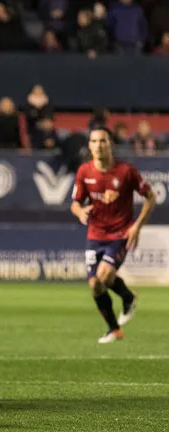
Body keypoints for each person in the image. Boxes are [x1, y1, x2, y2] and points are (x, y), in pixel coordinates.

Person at [71, 127, 155, 343]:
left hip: (120, 233)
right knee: (95, 285)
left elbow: (151, 197)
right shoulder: (84, 172)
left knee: (105, 275)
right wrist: (80, 212)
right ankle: (115, 327)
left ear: (110, 144)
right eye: (94, 141)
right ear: (89, 146)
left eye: (103, 141)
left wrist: (136, 227)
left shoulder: (126, 171)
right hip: (95, 235)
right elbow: (75, 203)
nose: (98, 145)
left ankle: (127, 301)